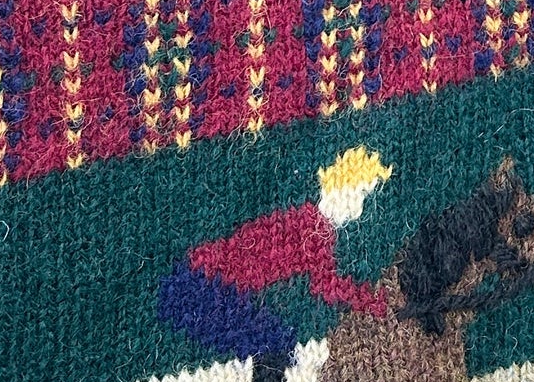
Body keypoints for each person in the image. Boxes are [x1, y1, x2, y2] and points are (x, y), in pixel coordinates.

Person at [158, 147, 394, 359]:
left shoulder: (309, 221)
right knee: (276, 342)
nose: (360, 205)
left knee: (275, 341)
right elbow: (325, 286)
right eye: (361, 194)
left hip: (207, 280)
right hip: (208, 286)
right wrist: (372, 302)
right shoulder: (314, 230)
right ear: (338, 190)